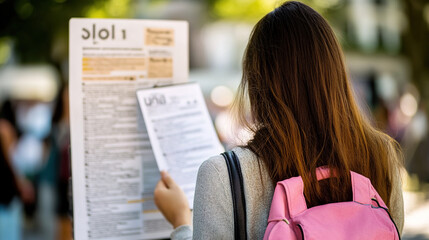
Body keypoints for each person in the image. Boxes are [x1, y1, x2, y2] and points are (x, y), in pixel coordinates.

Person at [153, 1, 405, 239]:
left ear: (258, 82)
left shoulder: (224, 175)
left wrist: (180, 222)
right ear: (335, 74)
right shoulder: (381, 156)